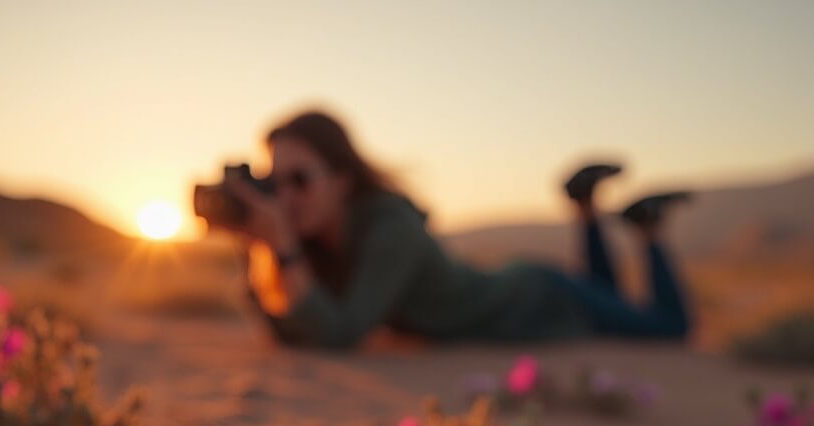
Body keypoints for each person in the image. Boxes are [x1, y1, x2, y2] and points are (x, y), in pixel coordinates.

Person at [221, 110, 692, 348]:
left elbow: (342, 333)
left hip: (533, 298)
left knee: (669, 327)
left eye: (299, 180)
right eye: (273, 184)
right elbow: (291, 330)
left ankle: (646, 231)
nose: (283, 199)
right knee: (606, 293)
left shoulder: (391, 227)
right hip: (526, 295)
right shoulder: (316, 245)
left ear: (342, 180)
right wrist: (255, 245)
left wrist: (282, 248)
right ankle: (586, 208)